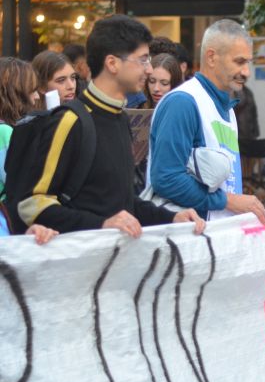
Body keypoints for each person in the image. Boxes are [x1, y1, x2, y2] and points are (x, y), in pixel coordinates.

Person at [7, 14, 204, 236]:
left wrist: (171, 217)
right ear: (112, 63)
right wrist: (102, 225)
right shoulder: (70, 121)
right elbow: (33, 204)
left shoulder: (119, 118)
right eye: (142, 59)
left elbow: (122, 203)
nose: (149, 69)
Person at [147, 19, 265, 223]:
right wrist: (228, 201)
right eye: (239, 62)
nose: (246, 72)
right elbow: (166, 178)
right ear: (211, 57)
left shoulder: (226, 106)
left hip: (217, 237)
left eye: (248, 62)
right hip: (189, 242)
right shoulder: (183, 102)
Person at [0, 57, 40, 235]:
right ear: (16, 93)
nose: (37, 96)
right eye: (32, 90)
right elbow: (16, 187)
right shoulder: (5, 133)